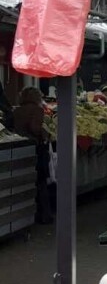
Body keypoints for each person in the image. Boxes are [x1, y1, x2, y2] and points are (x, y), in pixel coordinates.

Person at [12, 87, 53, 224]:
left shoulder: (16, 110)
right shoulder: (37, 110)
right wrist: (44, 132)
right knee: (41, 182)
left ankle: (25, 215)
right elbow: (35, 128)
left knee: (25, 182)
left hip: (19, 148)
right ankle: (45, 215)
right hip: (36, 149)